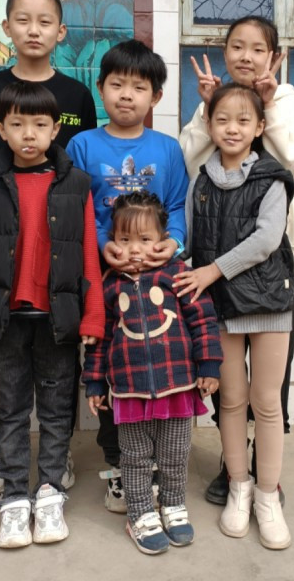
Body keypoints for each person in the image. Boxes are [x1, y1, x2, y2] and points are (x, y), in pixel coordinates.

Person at [0, 0, 97, 497]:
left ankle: (58, 455)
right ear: (7, 27)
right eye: (23, 19)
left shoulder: (77, 96)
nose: (33, 30)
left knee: (60, 356)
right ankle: (5, 449)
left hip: (59, 248)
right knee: (4, 354)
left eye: (44, 21)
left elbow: (82, 166)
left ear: (61, 31)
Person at [0, 81, 104, 548]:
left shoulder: (76, 184)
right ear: (1, 129)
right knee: (11, 410)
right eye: (17, 124)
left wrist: (93, 318)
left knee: (58, 411)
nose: (28, 134)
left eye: (40, 125)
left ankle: (50, 492)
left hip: (58, 318)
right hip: (5, 318)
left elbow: (89, 256)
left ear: (56, 130)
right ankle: (15, 499)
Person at [178, 15, 294, 504]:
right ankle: (232, 465)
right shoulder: (214, 102)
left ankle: (263, 470)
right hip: (217, 254)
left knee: (271, 383)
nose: (246, 56)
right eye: (237, 46)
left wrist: (269, 105)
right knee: (227, 377)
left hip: (268, 255)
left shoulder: (287, 98)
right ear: (225, 51)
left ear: (274, 56)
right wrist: (205, 107)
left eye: (258, 48)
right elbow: (190, 160)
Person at [66, 40, 189, 513]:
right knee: (113, 369)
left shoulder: (168, 149)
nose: (126, 95)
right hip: (105, 279)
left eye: (138, 87)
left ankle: (157, 464)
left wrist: (171, 245)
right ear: (100, 88)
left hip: (158, 282)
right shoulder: (82, 145)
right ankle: (119, 465)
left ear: (155, 97)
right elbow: (76, 208)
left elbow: (177, 207)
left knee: (157, 366)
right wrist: (105, 246)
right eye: (116, 84)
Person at [174, 82, 294, 550]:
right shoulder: (200, 181)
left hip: (268, 304)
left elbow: (266, 240)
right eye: (222, 119)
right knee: (230, 401)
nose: (232, 128)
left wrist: (211, 271)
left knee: (266, 403)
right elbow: (188, 240)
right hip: (219, 306)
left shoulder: (273, 178)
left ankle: (267, 497)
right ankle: (239, 489)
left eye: (244, 120)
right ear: (209, 125)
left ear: (260, 127)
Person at [83, 191, 222, 554]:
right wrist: (94, 381)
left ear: (163, 239)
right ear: (112, 241)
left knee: (175, 455)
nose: (134, 249)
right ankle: (141, 514)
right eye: (124, 239)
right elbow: (99, 339)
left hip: (177, 385)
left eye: (145, 239)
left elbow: (203, 321)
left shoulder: (178, 275)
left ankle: (173, 506)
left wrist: (209, 365)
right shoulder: (109, 284)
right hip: (129, 391)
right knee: (135, 459)